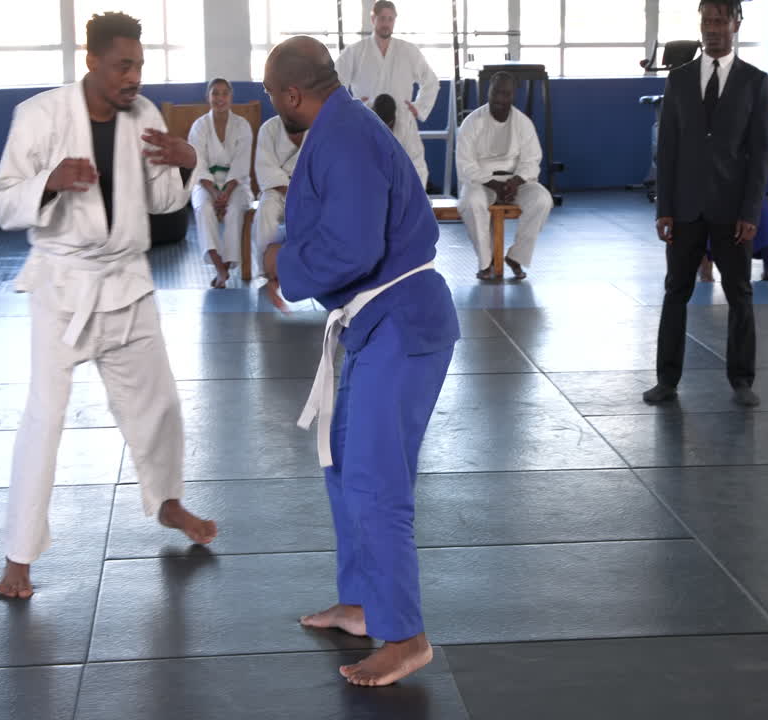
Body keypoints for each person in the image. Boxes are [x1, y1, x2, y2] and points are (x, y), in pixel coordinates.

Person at [0, 11, 217, 599]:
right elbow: (2, 201)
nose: (134, 76)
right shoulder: (39, 116)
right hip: (63, 290)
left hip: (128, 282)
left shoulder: (144, 115)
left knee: (160, 403)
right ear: (91, 61)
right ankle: (19, 556)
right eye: (123, 65)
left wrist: (186, 162)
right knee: (45, 419)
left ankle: (168, 503)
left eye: (139, 65)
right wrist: (49, 182)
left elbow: (163, 200)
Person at [261, 36, 459, 687]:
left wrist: (281, 264)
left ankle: (406, 637)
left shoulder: (341, 135)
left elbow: (351, 245)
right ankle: (362, 602)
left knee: (378, 481)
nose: (273, 107)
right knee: (344, 458)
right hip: (379, 326)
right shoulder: (340, 129)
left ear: (292, 94)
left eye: (271, 97)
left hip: (403, 325)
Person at [645, 0, 768, 408]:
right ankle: (667, 379)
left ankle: (742, 379)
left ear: (736, 24)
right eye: (707, 21)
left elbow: (760, 155)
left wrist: (751, 213)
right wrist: (664, 206)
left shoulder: (755, 82)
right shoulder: (679, 79)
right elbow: (667, 149)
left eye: (720, 21)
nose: (712, 29)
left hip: (733, 210)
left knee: (740, 294)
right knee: (675, 291)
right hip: (684, 208)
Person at [455, 72, 553, 281]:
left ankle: (516, 256)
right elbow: (466, 164)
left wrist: (515, 182)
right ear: (489, 91)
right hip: (481, 181)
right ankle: (486, 262)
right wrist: (493, 184)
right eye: (496, 92)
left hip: (515, 181)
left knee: (542, 199)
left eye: (505, 94)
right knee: (472, 202)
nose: (500, 98)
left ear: (513, 96)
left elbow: (532, 160)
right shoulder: (472, 122)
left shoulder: (523, 123)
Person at [335, 0, 439, 189]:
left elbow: (431, 81)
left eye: (390, 19)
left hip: (401, 117)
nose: (386, 23)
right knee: (362, 169)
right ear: (373, 19)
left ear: (395, 21)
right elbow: (335, 83)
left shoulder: (408, 51)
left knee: (416, 168)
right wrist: (351, 107)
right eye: (382, 18)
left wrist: (419, 107)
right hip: (366, 118)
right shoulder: (356, 51)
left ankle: (413, 210)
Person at [188, 78, 255, 288]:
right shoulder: (199, 126)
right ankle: (219, 267)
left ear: (231, 97)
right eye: (215, 93)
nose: (220, 98)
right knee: (203, 208)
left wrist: (226, 191)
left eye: (224, 93)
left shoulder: (242, 126)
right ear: (208, 97)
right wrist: (215, 192)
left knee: (235, 209)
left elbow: (241, 163)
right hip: (205, 182)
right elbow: (197, 162)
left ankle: (227, 266)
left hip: (236, 183)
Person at [251, 115, 304, 278]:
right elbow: (266, 168)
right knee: (266, 210)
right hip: (276, 190)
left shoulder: (316, 128)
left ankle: (307, 268)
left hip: (306, 190)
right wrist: (288, 190)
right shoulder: (268, 129)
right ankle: (268, 268)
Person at [372, 93, 428, 187]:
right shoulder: (361, 121)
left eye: (388, 126)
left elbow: (417, 164)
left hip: (398, 181)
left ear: (394, 118)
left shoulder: (406, 125)